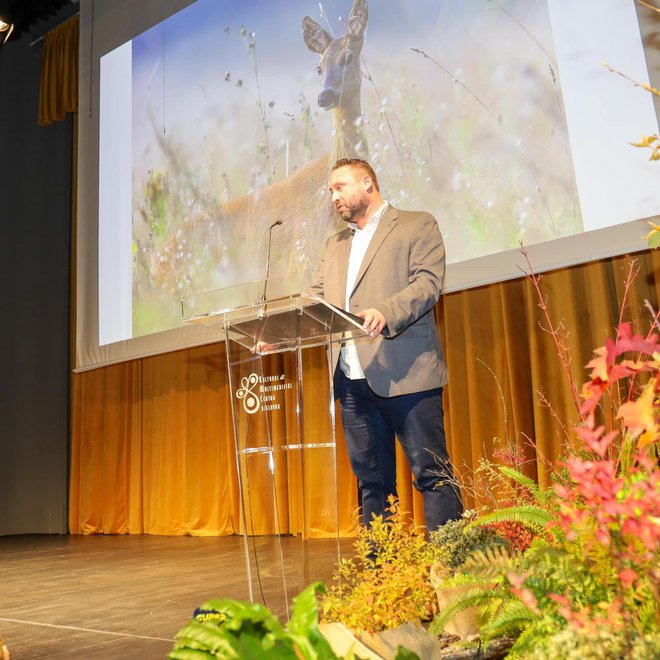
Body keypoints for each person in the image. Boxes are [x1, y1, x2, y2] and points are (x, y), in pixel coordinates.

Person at [308, 158, 463, 532]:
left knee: (432, 475)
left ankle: (455, 574)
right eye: (331, 191)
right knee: (372, 485)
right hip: (352, 381)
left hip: (406, 371)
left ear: (367, 184)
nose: (334, 197)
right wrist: (274, 329)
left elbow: (427, 283)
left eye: (340, 187)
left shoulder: (416, 224)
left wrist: (386, 310)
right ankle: (383, 573)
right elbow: (315, 299)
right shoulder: (334, 245)